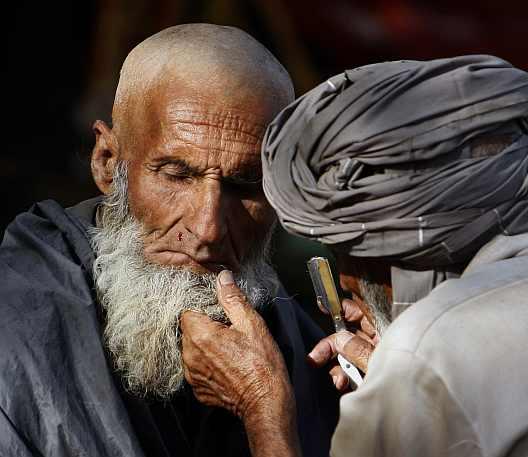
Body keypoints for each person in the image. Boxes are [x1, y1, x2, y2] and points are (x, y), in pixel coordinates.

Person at [180, 55, 528, 456]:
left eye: (341, 251)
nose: (344, 281)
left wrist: (262, 405)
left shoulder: (422, 354)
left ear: (387, 245)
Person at [0, 24, 338, 457]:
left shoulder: (298, 348)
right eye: (176, 175)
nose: (209, 230)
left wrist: (265, 411)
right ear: (107, 163)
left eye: (246, 185)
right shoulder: (16, 329)